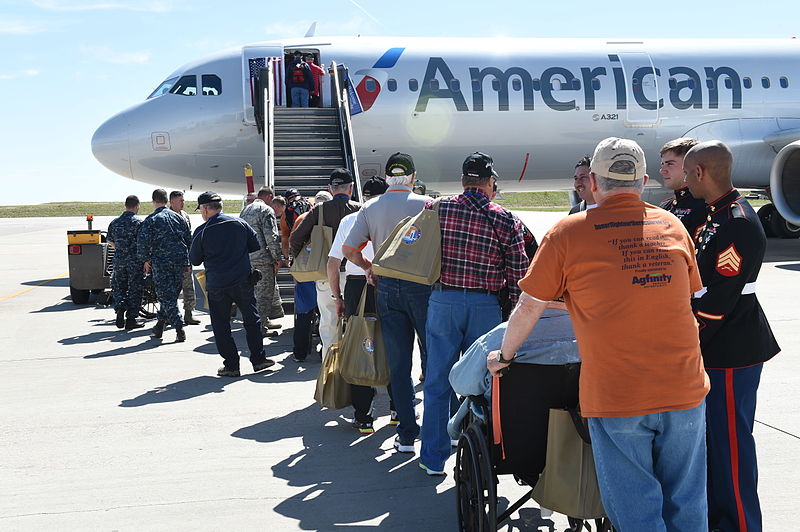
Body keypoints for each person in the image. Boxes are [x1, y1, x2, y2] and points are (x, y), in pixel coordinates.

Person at [488, 137, 710, 530]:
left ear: (592, 181)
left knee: (636, 509)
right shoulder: (671, 224)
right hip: (684, 387)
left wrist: (503, 357)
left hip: (618, 393)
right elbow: (689, 295)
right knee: (688, 504)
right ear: (642, 181)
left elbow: (529, 307)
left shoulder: (568, 233)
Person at [683, 140, 780, 532]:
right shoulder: (716, 215)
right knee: (713, 451)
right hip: (719, 347)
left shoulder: (736, 221)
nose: (686, 181)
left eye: (689, 173)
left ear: (702, 172)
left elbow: (717, 302)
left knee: (730, 451)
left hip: (730, 348)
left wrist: (685, 340)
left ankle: (740, 525)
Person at [420, 152, 528, 476]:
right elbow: (519, 272)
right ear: (490, 182)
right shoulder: (505, 219)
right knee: (485, 382)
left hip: (443, 301)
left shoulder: (437, 209)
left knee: (437, 380)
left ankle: (432, 458)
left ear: (463, 180)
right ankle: (480, 454)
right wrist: (512, 311)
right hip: (484, 306)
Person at [343, 152, 432, 456]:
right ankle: (439, 427)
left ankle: (406, 433)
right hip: (422, 286)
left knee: (399, 363)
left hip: (387, 287)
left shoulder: (370, 207)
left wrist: (369, 266)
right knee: (434, 359)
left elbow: (348, 249)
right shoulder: (426, 204)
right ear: (411, 176)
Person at [327, 176, 394, 433]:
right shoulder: (393, 218)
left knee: (360, 346)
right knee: (392, 343)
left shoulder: (350, 220)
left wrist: (337, 298)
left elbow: (334, 263)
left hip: (357, 285)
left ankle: (364, 416)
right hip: (389, 283)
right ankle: (398, 409)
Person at [189, 191, 275, 377]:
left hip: (217, 284)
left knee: (221, 326)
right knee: (252, 320)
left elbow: (194, 260)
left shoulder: (202, 231)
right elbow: (255, 246)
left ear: (204, 209)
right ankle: (259, 360)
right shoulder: (239, 223)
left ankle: (232, 366)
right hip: (242, 281)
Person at [290, 169, 361, 357]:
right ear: (351, 188)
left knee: (329, 323)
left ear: (331, 188)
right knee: (358, 322)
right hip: (356, 273)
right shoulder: (360, 209)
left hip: (327, 274)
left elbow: (295, 239)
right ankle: (355, 364)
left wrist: (305, 258)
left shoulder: (319, 211)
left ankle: (329, 370)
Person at [137, 188, 191, 342]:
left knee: (166, 297)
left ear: (153, 201)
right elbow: (188, 240)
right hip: (179, 263)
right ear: (167, 201)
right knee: (170, 296)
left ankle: (179, 327)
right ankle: (159, 326)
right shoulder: (178, 218)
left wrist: (145, 260)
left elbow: (142, 243)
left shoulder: (151, 220)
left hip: (162, 264)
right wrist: (187, 261)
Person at [289, 190, 331, 362]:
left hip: (307, 271)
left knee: (304, 313)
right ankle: (326, 351)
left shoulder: (303, 218)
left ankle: (300, 352)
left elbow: (293, 239)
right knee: (327, 314)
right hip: (327, 271)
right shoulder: (335, 217)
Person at [240, 186, 283, 333]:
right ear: (270, 197)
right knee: (264, 296)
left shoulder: (246, 209)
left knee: (253, 295)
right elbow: (271, 237)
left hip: (248, 259)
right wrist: (278, 258)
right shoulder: (266, 210)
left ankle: (262, 321)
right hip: (263, 261)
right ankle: (260, 327)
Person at [658, 137, 707, 239]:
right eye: (662, 164)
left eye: (670, 164)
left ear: (690, 166)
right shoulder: (665, 206)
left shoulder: (704, 208)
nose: (662, 170)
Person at [107, 195, 144, 330]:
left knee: (119, 287)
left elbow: (110, 241)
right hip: (134, 261)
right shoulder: (138, 223)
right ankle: (131, 319)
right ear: (137, 205)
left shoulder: (115, 222)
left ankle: (120, 310)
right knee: (135, 288)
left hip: (119, 260)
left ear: (126, 205)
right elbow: (143, 243)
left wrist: (120, 248)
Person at [168, 190, 200, 325]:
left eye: (183, 200)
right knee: (171, 289)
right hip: (170, 260)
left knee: (188, 287)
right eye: (180, 201)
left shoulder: (185, 216)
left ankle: (188, 313)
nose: (183, 203)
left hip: (185, 258)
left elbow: (188, 237)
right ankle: (170, 315)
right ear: (172, 202)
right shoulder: (166, 216)